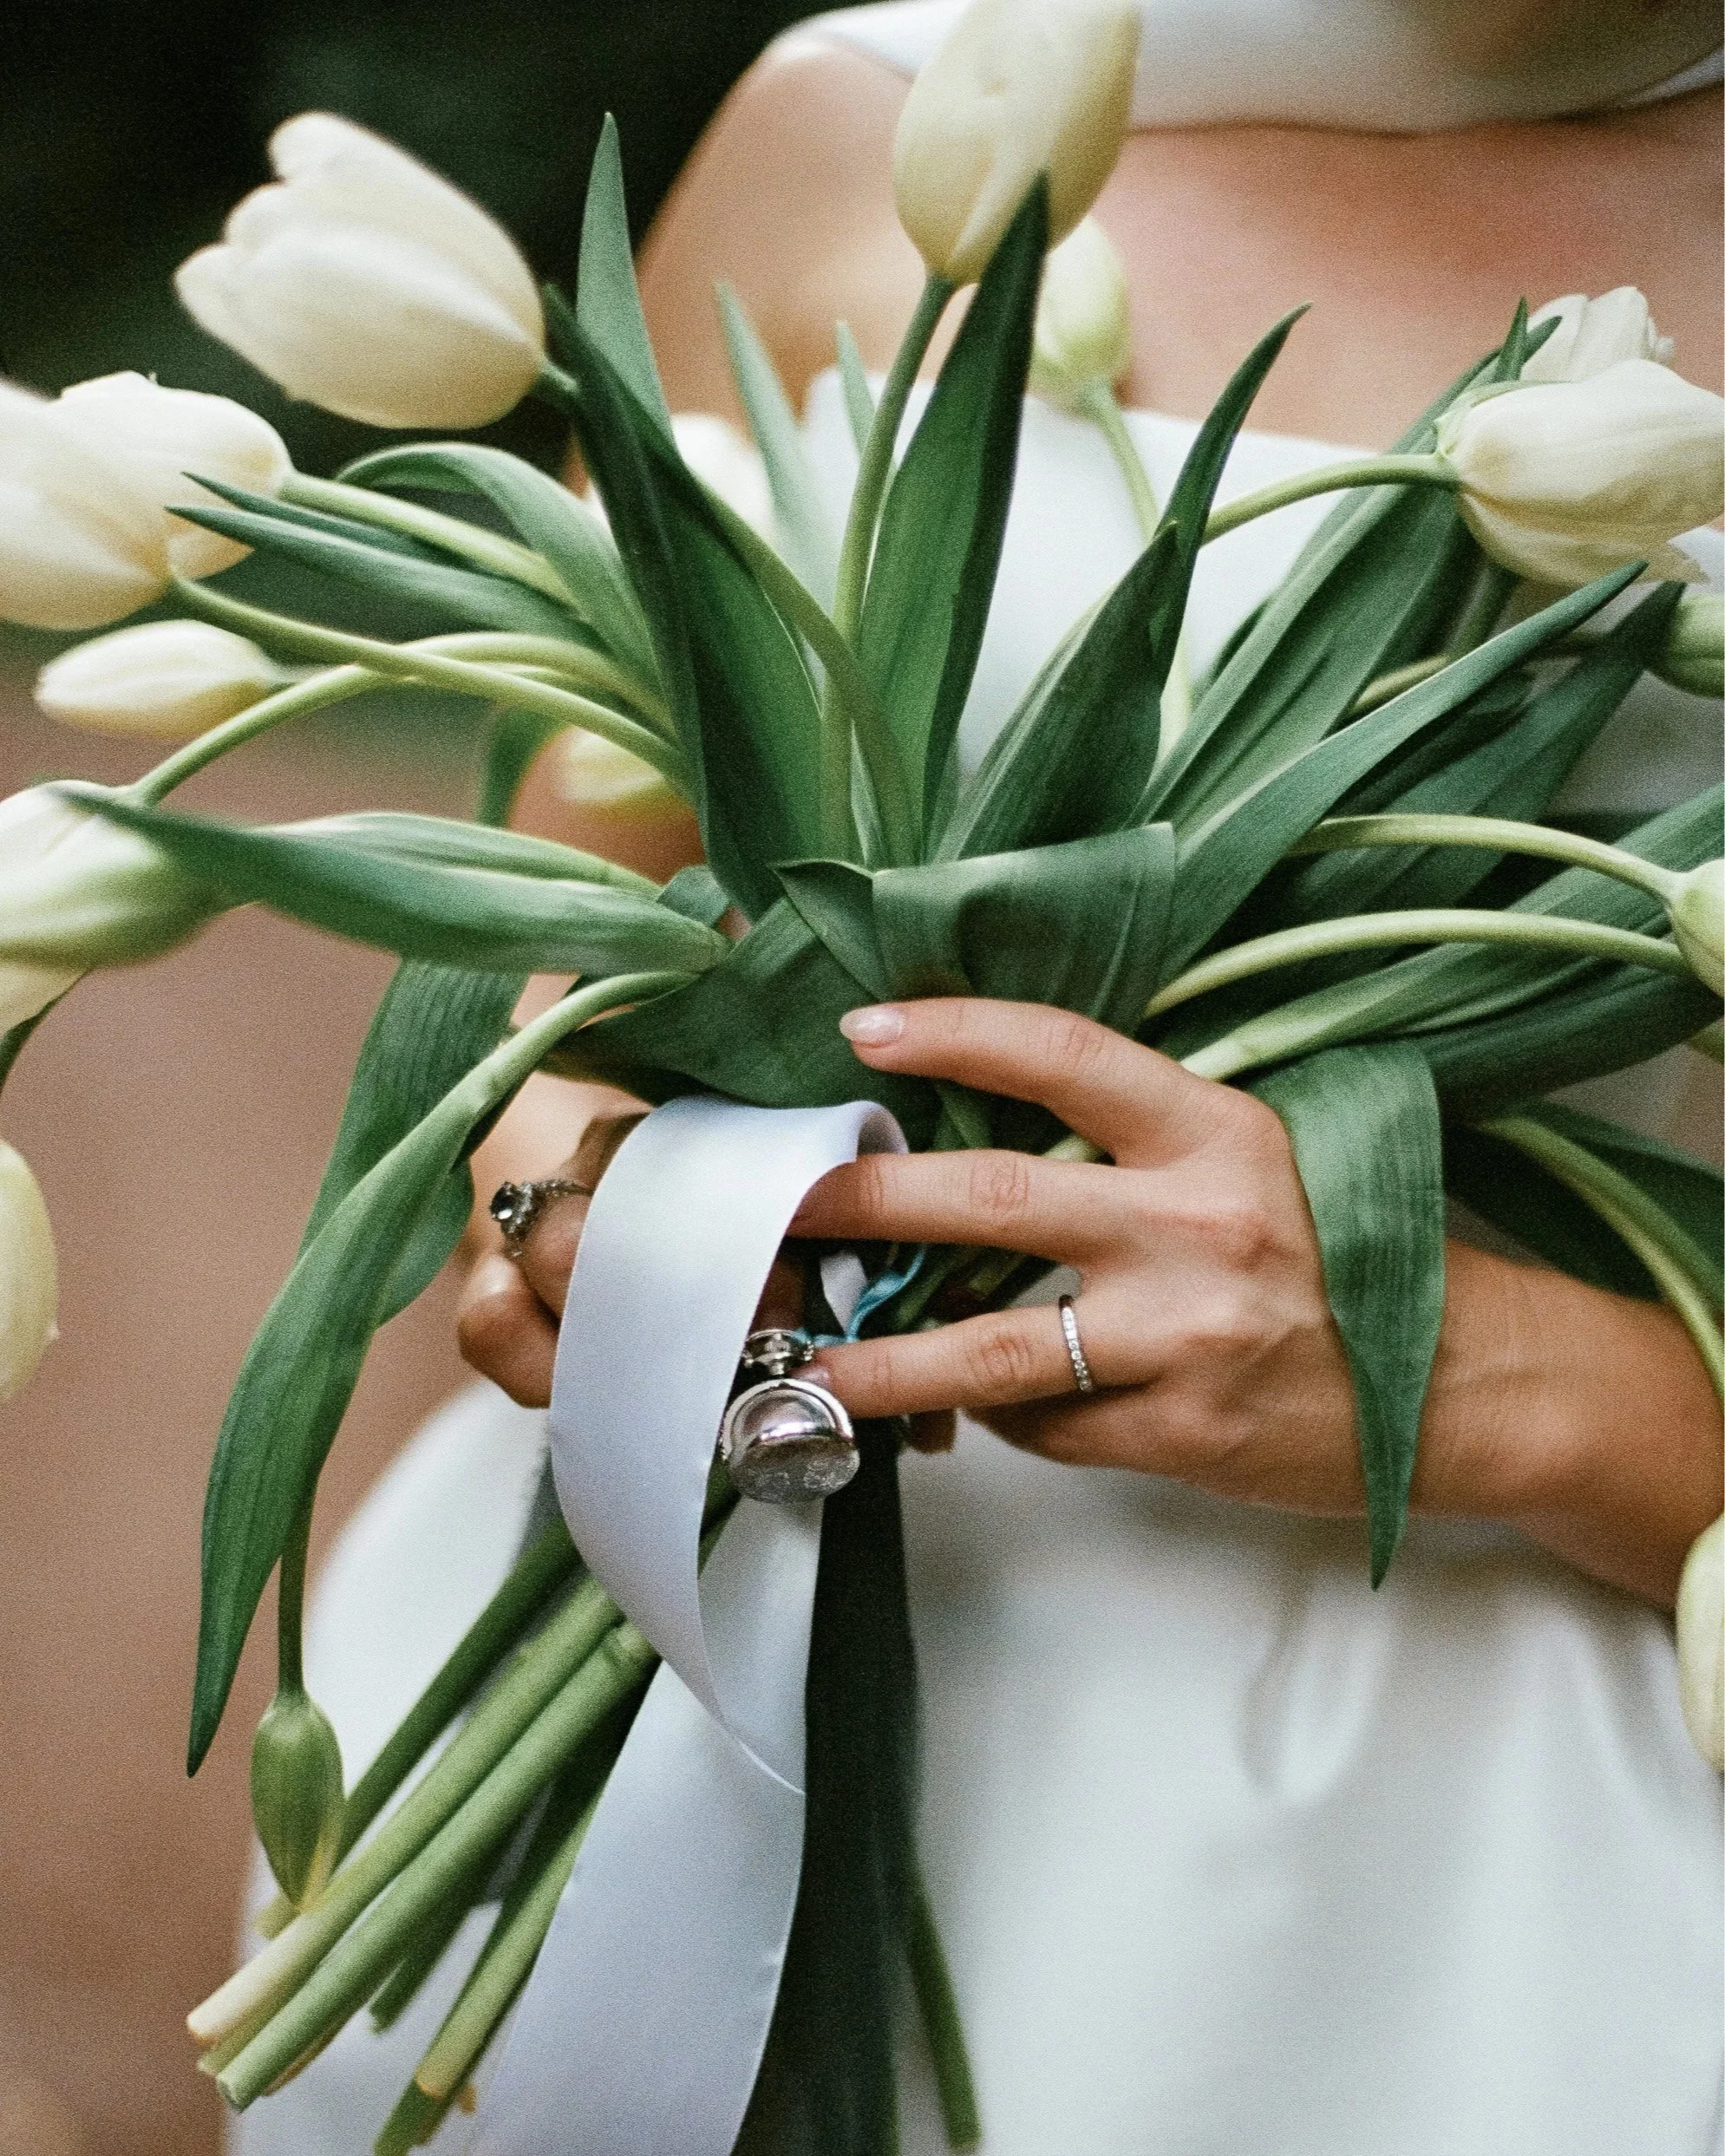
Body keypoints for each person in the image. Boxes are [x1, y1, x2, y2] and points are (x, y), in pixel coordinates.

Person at [236, 4, 1724, 2148]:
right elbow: (575, 899)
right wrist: (552, 1159)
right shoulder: (884, 115)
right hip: (670, 1648)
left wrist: (1467, 1357)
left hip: (1473, 1856)